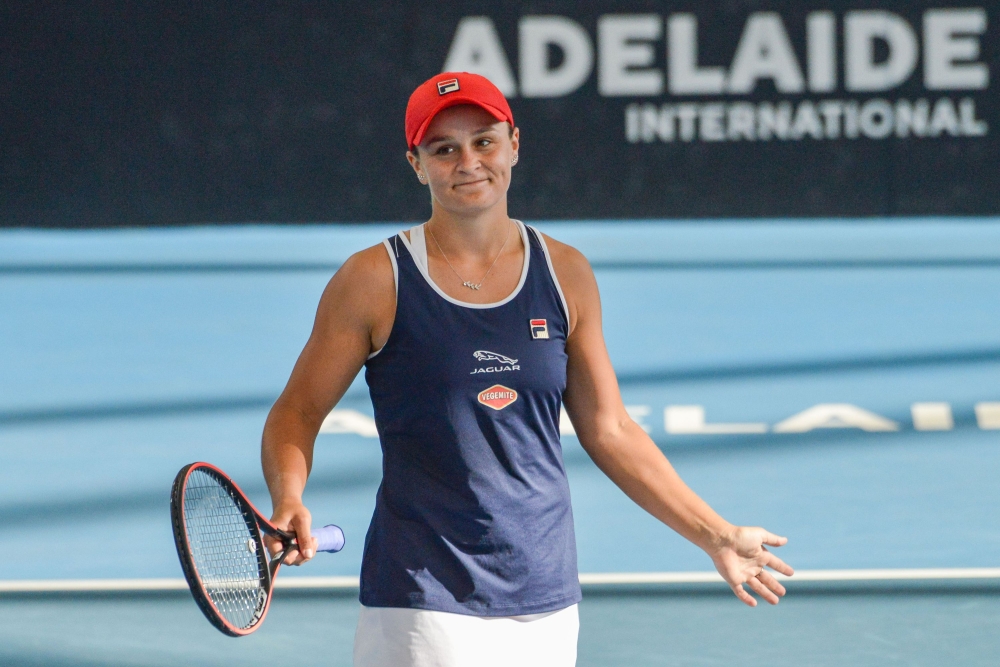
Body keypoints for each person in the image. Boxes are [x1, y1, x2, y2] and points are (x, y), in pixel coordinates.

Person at [261, 71, 793, 667]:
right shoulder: (373, 280)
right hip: (424, 594)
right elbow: (298, 411)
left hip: (545, 594)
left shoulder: (566, 273)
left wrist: (717, 535)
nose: (469, 162)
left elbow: (610, 429)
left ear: (514, 144)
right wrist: (289, 497)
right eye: (444, 149)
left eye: (484, 141)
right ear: (417, 165)